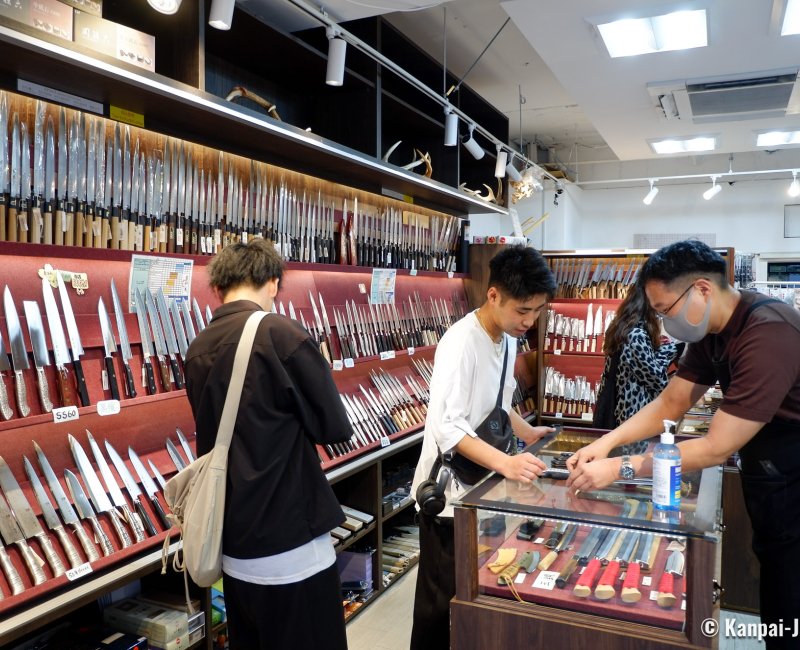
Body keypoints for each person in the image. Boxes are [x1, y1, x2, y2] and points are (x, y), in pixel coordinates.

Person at [567, 240, 800, 649]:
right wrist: (608, 441)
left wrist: (622, 468)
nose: (662, 322)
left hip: (793, 473)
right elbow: (672, 402)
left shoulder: (769, 332)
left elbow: (714, 447)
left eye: (664, 310)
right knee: (777, 583)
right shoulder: (711, 333)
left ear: (702, 290)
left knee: (790, 594)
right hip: (769, 471)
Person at [184, 239, 351, 650]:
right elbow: (335, 427)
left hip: (234, 545)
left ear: (219, 286)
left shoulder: (197, 347)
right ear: (273, 284)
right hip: (291, 543)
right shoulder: (280, 333)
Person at [409, 245, 556, 650]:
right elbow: (447, 428)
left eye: (538, 311)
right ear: (493, 296)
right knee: (438, 606)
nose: (530, 320)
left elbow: (500, 403)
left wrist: (527, 433)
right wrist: (507, 464)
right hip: (448, 496)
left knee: (475, 594)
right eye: (522, 310)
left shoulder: (507, 338)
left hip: (483, 486)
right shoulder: (460, 343)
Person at [593, 281, 682, 455]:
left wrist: (657, 349)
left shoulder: (620, 328)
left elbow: (639, 368)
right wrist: (671, 348)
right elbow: (656, 379)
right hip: (632, 414)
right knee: (630, 467)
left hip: (617, 409)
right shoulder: (637, 334)